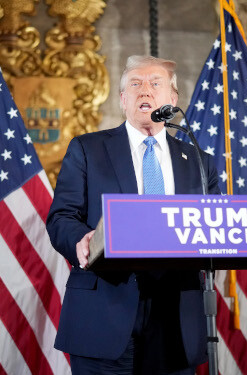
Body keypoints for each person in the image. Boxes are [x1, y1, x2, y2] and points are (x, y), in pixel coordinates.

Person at [46, 55, 220, 374]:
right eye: (136, 85)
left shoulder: (198, 161)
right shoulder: (88, 149)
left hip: (176, 316)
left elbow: (216, 225)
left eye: (156, 84)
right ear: (123, 100)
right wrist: (81, 240)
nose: (145, 91)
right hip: (104, 308)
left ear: (172, 100)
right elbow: (61, 217)